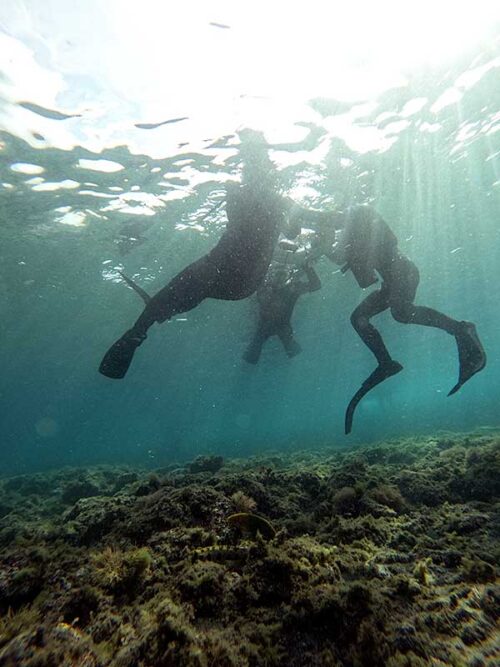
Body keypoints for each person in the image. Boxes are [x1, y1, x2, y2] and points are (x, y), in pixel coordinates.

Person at [99, 130, 298, 379]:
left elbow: (250, 219)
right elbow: (293, 229)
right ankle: (158, 315)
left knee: (187, 290)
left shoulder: (240, 193)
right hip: (243, 284)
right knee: (196, 291)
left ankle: (142, 328)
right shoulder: (275, 200)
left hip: (219, 268)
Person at [332, 205, 486, 434]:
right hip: (392, 280)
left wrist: (300, 215)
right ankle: (386, 363)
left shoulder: (360, 216)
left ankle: (462, 329)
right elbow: (366, 280)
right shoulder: (355, 237)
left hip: (403, 272)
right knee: (359, 318)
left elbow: (327, 218)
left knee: (401, 312)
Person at [243, 256, 321, 364]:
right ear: (271, 275)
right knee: (252, 354)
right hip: (268, 326)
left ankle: (291, 366)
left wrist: (307, 267)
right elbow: (315, 285)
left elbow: (316, 285)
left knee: (290, 350)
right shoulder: (265, 286)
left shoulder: (291, 288)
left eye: (283, 275)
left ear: (288, 276)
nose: (279, 279)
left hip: (278, 326)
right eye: (277, 275)